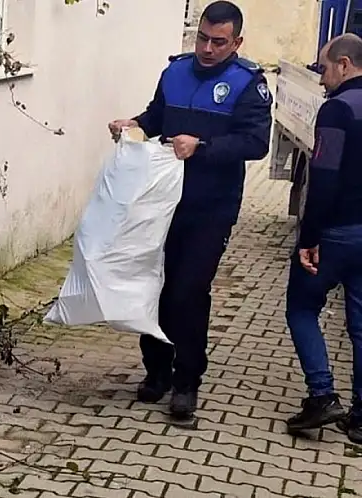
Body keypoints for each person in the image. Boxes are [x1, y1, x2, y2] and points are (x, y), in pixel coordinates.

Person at [107, 0, 272, 418]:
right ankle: (156, 372)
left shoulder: (247, 83)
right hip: (160, 202)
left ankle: (187, 381)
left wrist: (203, 147)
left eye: (219, 42)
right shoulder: (175, 71)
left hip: (211, 208)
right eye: (202, 38)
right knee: (155, 285)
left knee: (187, 292)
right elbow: (157, 116)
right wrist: (135, 124)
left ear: (236, 42)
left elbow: (256, 143)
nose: (208, 48)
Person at [285, 33, 362, 442]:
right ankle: (361, 418)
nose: (321, 78)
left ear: (345, 65)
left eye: (323, 68)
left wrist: (308, 238)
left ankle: (322, 396)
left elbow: (325, 178)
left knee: (300, 308)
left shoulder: (337, 111)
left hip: (338, 233)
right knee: (361, 326)